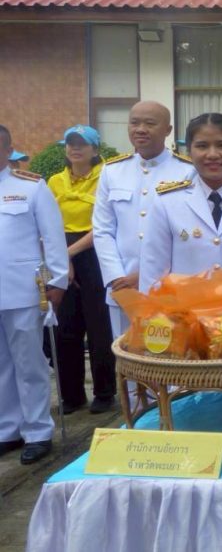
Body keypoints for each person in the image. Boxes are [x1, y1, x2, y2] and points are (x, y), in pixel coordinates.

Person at [92, 101, 194, 340]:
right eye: (134, 123)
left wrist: (146, 276)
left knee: (171, 353)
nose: (140, 129)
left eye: (150, 123)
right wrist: (116, 277)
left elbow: (187, 233)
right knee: (126, 354)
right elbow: (103, 230)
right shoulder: (112, 171)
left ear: (168, 130)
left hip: (168, 287)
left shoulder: (187, 172)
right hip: (121, 289)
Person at [140, 114, 222, 292]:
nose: (212, 154)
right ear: (189, 152)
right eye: (202, 146)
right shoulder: (167, 202)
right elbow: (153, 272)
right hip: (185, 308)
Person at [0, 124, 68, 465]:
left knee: (29, 363)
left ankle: (38, 430)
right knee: (1, 365)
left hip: (23, 290)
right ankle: (8, 429)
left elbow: (53, 236)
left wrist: (58, 280)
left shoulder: (30, 187)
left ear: (7, 150)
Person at [47, 125, 116, 414]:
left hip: (95, 253)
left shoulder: (105, 177)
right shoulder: (54, 181)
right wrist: (61, 258)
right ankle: (72, 396)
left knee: (99, 327)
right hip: (61, 252)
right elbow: (48, 222)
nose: (75, 149)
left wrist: (69, 254)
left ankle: (104, 392)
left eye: (82, 144)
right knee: (65, 326)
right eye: (70, 144)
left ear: (95, 149)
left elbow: (103, 225)